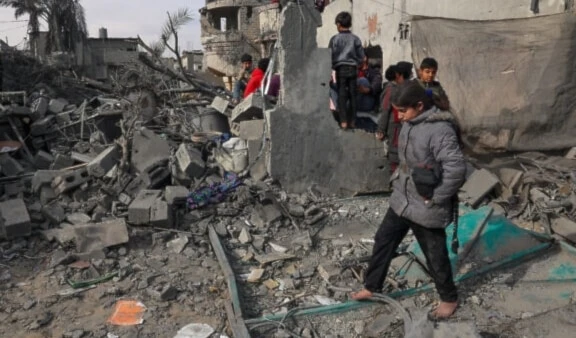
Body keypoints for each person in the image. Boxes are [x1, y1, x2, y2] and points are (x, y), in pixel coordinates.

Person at [352, 81, 466, 321]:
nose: (399, 116)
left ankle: (449, 298)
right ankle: (373, 286)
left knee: (434, 255)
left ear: (420, 106)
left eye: (403, 111)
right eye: (397, 111)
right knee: (384, 240)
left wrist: (436, 199)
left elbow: (456, 169)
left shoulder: (440, 130)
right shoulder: (409, 123)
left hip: (426, 203)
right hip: (403, 198)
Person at [328, 11, 365, 130]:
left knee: (342, 95)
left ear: (339, 24)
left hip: (340, 69)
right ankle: (353, 121)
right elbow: (361, 57)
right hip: (353, 69)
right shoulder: (355, 39)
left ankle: (343, 121)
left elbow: (329, 56)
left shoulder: (335, 39)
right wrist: (357, 65)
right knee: (353, 95)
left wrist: (331, 68)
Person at [376, 62, 412, 171]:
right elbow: (385, 109)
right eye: (408, 75)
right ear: (399, 75)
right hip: (395, 127)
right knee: (395, 153)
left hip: (402, 126)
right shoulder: (391, 89)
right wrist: (381, 129)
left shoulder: (402, 88)